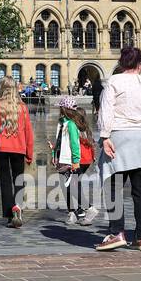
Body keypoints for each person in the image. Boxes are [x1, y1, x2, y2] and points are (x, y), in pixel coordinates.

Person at [95, 46, 141, 251]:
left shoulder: (114, 81)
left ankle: (117, 233)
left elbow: (106, 110)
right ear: (140, 65)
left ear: (122, 64)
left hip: (120, 136)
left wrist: (104, 136)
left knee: (113, 186)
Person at [0, 78, 35, 229]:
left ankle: (9, 215)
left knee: (5, 181)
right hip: (19, 149)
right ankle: (18, 207)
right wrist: (29, 153)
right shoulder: (22, 107)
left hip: (1, 148)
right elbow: (28, 132)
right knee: (18, 179)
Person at [54, 96, 97, 225]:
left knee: (72, 186)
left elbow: (74, 144)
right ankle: (72, 212)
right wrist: (54, 154)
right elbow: (59, 142)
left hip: (69, 160)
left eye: (60, 108)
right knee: (66, 186)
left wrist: (76, 161)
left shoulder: (71, 125)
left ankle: (89, 209)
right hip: (61, 159)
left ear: (64, 109)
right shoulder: (62, 123)